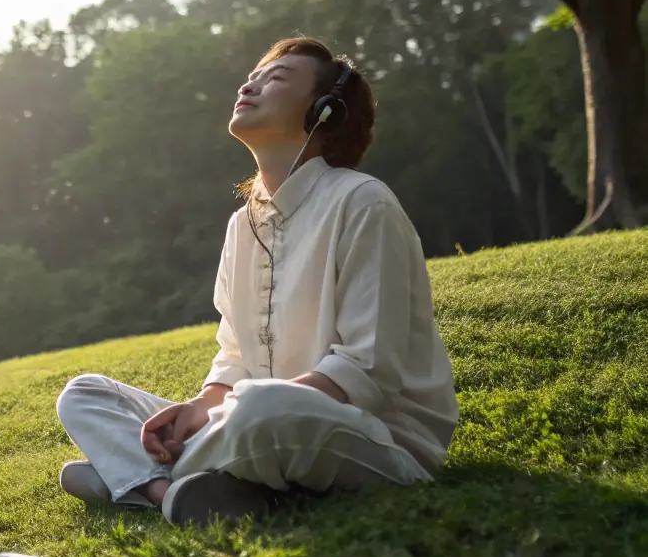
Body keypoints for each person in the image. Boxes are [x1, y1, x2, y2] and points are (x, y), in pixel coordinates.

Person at [55, 37, 459, 528]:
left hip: (373, 437)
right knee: (84, 394)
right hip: (255, 423)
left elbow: (366, 370)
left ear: (324, 111)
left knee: (260, 404)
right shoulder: (241, 225)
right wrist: (200, 407)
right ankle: (174, 492)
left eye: (277, 77)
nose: (250, 84)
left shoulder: (364, 204)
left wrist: (224, 415)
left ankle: (137, 480)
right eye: (254, 74)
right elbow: (235, 358)